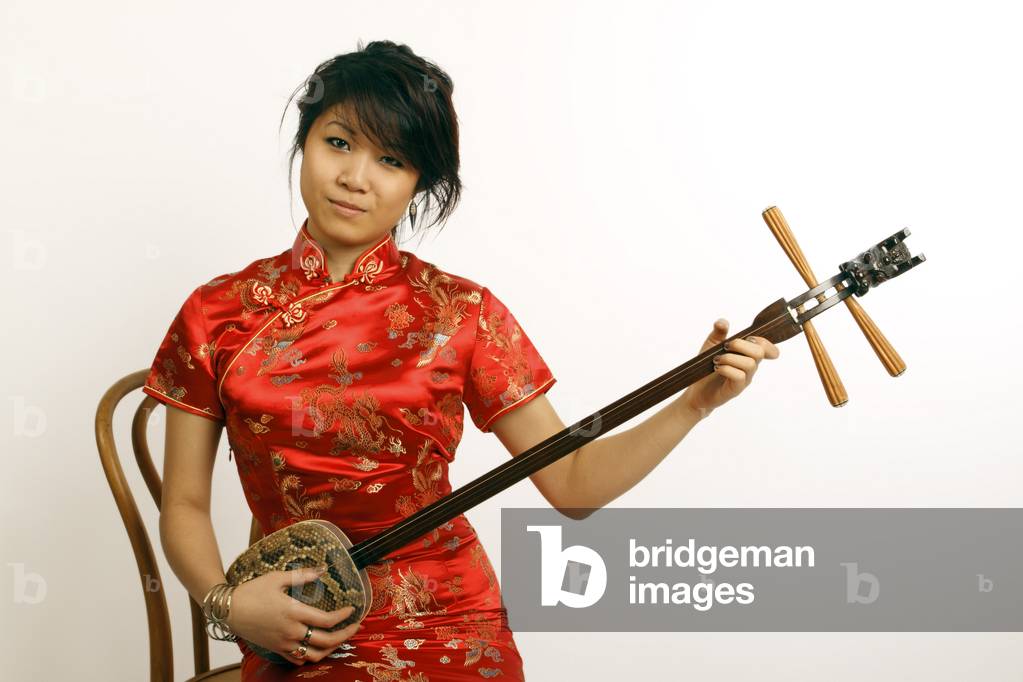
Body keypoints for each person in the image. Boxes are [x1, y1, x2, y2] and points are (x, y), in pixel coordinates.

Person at [144, 39, 780, 681]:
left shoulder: (460, 311)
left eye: (390, 159)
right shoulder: (218, 312)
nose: (356, 178)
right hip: (302, 622)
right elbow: (187, 505)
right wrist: (226, 604)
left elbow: (574, 485)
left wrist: (692, 404)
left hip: (448, 622)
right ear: (304, 141)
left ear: (421, 182)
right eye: (338, 143)